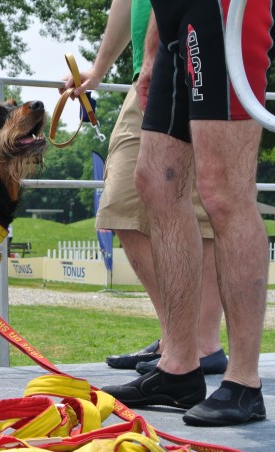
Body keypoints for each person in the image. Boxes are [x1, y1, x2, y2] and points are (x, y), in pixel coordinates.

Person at [100, 0, 274, 426]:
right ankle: (178, 368)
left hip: (225, 9)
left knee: (224, 192)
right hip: (174, 14)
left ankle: (244, 383)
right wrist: (153, 47)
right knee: (156, 183)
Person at [63, 0, 227, 377]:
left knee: (204, 208)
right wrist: (100, 69)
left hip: (191, 55)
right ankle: (179, 340)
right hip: (151, 73)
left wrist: (153, 57)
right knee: (122, 202)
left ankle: (198, 345)